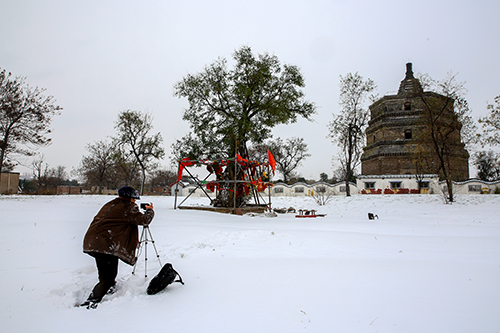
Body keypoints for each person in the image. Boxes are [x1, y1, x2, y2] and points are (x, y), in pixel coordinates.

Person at [80, 186, 154, 308]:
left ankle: (110, 287)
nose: (135, 202)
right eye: (134, 199)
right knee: (106, 279)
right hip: (105, 245)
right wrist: (150, 211)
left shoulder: (110, 204)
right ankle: (91, 302)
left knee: (106, 269)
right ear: (130, 198)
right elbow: (144, 220)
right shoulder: (128, 207)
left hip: (94, 242)